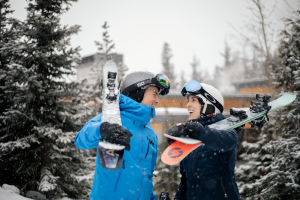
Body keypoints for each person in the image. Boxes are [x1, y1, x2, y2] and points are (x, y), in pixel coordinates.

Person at [75, 71, 170, 200]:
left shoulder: (150, 133)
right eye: (154, 94)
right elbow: (80, 140)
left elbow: (146, 176)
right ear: (138, 92)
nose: (157, 100)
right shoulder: (113, 117)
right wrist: (102, 129)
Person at [166, 80, 241, 200]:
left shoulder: (225, 129)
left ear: (208, 104)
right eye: (188, 100)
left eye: (193, 100)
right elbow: (185, 181)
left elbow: (230, 141)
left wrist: (201, 132)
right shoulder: (190, 139)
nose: (188, 105)